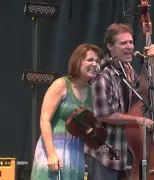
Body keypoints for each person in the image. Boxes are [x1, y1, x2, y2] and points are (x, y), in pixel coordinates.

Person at [84, 23, 154, 180]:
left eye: (131, 42)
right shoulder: (103, 74)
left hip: (121, 154)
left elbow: (142, 92)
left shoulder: (128, 69)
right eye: (123, 43)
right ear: (110, 46)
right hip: (102, 154)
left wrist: (147, 64)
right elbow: (104, 115)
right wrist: (138, 120)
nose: (129, 47)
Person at [30, 44, 103, 180]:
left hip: (75, 153)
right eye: (90, 60)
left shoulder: (91, 91)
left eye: (98, 61)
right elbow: (44, 120)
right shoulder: (61, 84)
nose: (95, 64)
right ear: (78, 61)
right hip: (53, 149)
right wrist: (51, 154)